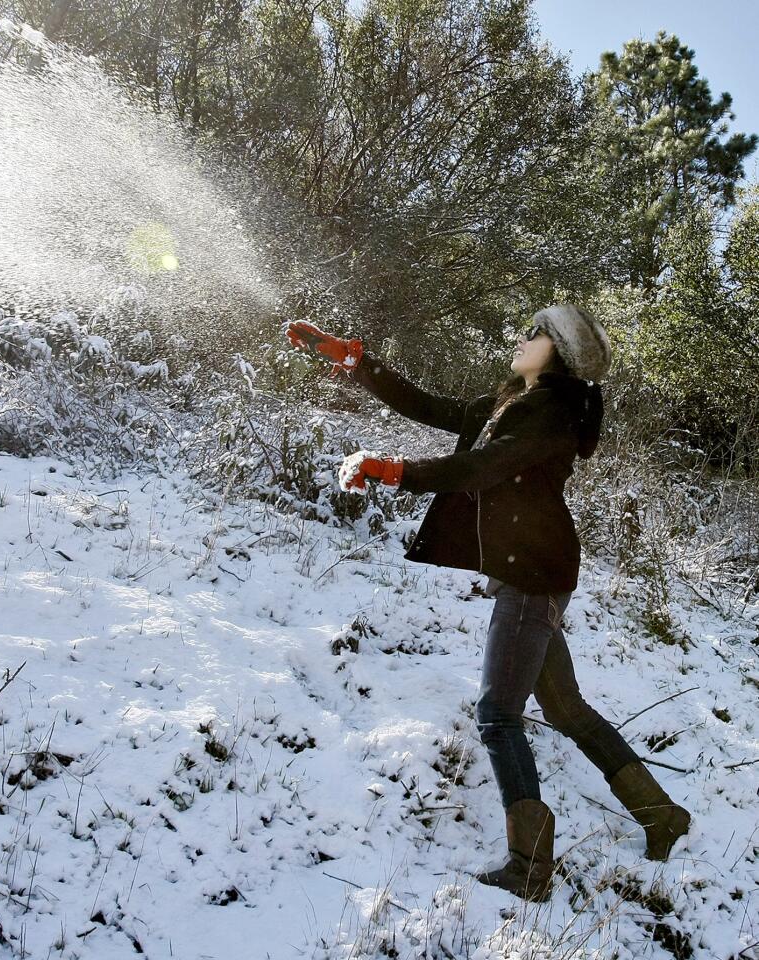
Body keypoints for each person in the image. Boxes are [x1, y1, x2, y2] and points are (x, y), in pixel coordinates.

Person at [285, 306, 691, 903]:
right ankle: (661, 814)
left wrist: (396, 472)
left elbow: (483, 467)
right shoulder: (514, 401)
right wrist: (357, 361)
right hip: (531, 568)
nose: (522, 339)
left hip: (534, 572)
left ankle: (529, 864)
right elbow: (434, 409)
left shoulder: (552, 411)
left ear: (558, 349)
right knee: (568, 711)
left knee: (498, 715)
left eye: (535, 333)